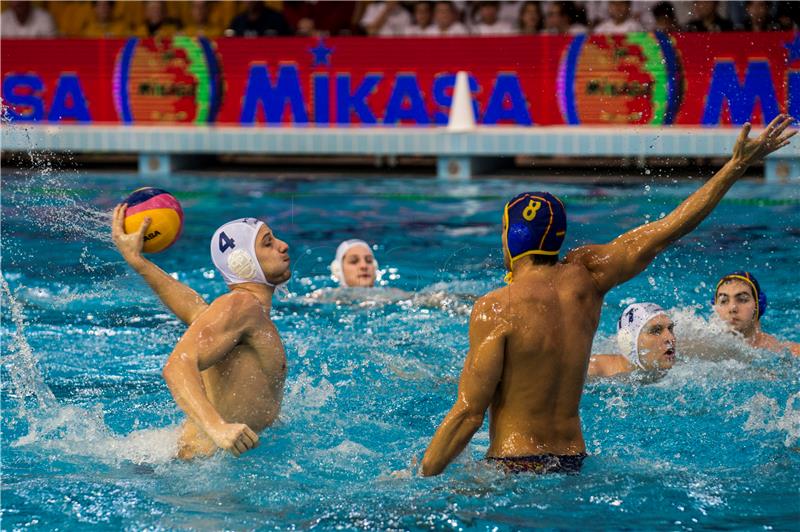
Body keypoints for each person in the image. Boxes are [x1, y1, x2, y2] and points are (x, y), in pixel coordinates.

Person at [419, 115, 796, 476]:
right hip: (574, 463)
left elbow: (468, 414)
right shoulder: (587, 278)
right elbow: (668, 229)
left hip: (515, 466)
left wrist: (422, 476)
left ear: (510, 237)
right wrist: (733, 168)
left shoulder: (494, 308)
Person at [111, 207, 291, 459]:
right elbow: (177, 366)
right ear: (243, 261)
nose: (282, 246)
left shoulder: (241, 313)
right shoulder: (242, 305)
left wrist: (138, 262)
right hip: (198, 469)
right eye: (267, 243)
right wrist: (218, 428)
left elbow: (194, 310)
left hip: (190, 461)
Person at [713, 271, 800, 356]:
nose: (732, 308)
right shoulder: (705, 345)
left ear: (758, 306)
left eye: (742, 299)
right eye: (723, 301)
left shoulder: (784, 352)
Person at [588, 303, 676, 377]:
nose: (671, 338)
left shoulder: (682, 364)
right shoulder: (593, 371)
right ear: (628, 341)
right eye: (656, 331)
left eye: (670, 328)